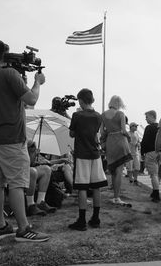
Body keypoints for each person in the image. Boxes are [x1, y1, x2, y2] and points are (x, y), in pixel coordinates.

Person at [0, 40, 49, 241]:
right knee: (18, 184)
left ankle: (0, 227)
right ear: (5, 54)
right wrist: (37, 82)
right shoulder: (10, 74)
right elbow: (31, 100)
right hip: (11, 139)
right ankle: (23, 229)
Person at [68, 88, 108, 231]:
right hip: (95, 154)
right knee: (96, 186)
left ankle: (82, 220)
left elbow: (72, 134)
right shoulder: (98, 116)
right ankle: (96, 218)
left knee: (82, 187)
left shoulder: (77, 115)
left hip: (82, 154)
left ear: (81, 100)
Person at [101, 95, 132, 206]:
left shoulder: (103, 115)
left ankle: (115, 196)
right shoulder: (120, 114)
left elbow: (102, 132)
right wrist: (129, 137)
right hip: (120, 141)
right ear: (119, 104)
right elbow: (124, 130)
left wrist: (103, 142)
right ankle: (116, 197)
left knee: (113, 170)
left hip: (110, 142)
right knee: (119, 171)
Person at [26, 140, 57, 216]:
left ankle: (40, 202)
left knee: (46, 169)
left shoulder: (28, 143)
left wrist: (34, 154)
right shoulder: (17, 144)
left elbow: (32, 163)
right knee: (32, 172)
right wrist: (32, 152)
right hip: (16, 171)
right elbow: (25, 164)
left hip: (27, 170)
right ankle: (30, 205)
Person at [141, 110, 161, 202]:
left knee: (153, 175)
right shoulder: (160, 127)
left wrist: (142, 153)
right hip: (160, 152)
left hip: (151, 152)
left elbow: (144, 142)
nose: (146, 119)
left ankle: (156, 194)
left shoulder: (149, 128)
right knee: (158, 174)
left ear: (153, 116)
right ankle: (154, 191)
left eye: (147, 117)